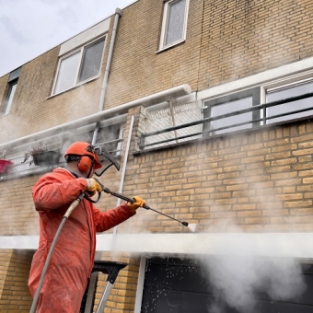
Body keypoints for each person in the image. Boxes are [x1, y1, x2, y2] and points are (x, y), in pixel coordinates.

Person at [28, 141, 145, 313]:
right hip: (58, 268)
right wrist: (82, 184)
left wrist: (126, 209)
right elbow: (41, 197)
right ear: (84, 162)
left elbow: (99, 222)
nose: (95, 171)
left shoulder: (79, 195)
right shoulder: (57, 178)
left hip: (74, 269)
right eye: (94, 165)